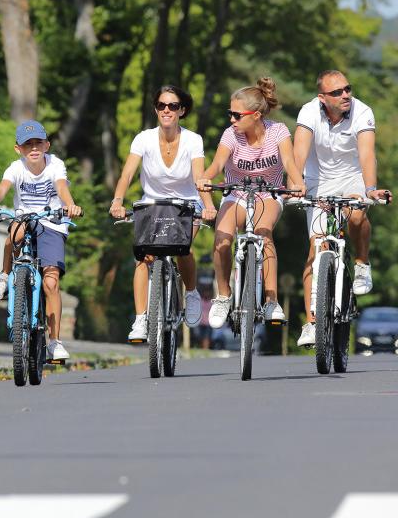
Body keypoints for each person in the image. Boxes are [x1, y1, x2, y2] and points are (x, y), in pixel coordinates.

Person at [110, 85, 217, 342]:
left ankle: (190, 293)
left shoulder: (193, 140)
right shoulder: (143, 139)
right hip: (153, 203)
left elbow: (199, 177)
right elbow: (127, 174)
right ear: (156, 109)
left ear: (182, 110)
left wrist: (209, 205)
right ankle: (140, 319)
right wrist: (117, 200)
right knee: (143, 258)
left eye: (172, 106)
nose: (166, 110)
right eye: (161, 106)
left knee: (184, 248)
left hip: (186, 202)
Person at [293, 70, 392, 347]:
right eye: (336, 92)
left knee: (357, 215)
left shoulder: (362, 111)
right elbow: (298, 153)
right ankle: (312, 323)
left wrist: (370, 188)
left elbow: (366, 154)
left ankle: (361, 263)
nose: (345, 95)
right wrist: (294, 184)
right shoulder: (308, 112)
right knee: (316, 249)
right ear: (322, 98)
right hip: (317, 182)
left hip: (353, 177)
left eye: (347, 89)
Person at [197, 77, 305, 329]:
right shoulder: (231, 135)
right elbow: (217, 164)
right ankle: (223, 296)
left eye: (236, 115)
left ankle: (271, 301)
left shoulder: (278, 132)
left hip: (268, 194)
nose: (231, 120)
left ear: (255, 115)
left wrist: (297, 183)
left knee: (263, 235)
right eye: (229, 114)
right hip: (236, 193)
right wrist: (205, 178)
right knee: (222, 240)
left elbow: (289, 163)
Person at [0, 119, 82, 361]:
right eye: (27, 145)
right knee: (13, 234)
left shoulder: (55, 165)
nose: (33, 148)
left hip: (51, 222)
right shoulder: (15, 168)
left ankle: (54, 342)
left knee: (51, 282)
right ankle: (4, 276)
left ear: (47, 145)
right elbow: (2, 189)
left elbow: (62, 187)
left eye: (38, 143)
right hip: (25, 218)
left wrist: (70, 206)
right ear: (18, 149)